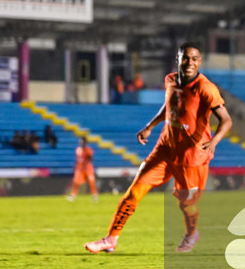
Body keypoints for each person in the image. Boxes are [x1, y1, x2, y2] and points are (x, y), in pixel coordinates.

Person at [85, 42, 233, 254]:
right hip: (164, 149)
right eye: (185, 58)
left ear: (199, 62)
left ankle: (192, 234)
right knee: (133, 193)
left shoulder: (206, 88)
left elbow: (226, 120)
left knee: (186, 204)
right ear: (178, 59)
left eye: (194, 59)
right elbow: (169, 105)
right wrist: (150, 127)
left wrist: (214, 141)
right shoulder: (170, 80)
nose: (189, 62)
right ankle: (111, 239)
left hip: (191, 156)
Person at [67, 137, 98, 203]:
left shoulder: (89, 150)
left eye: (82, 141)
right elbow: (78, 160)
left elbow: (90, 159)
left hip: (88, 169)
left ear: (85, 142)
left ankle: (95, 196)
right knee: (76, 182)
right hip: (80, 169)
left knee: (91, 182)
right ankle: (72, 196)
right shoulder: (78, 150)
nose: (81, 143)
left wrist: (87, 162)